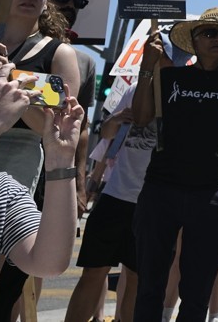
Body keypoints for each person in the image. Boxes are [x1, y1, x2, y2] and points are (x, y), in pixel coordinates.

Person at [0, 0, 82, 321]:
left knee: (1, 279)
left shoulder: (58, 53)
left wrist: (15, 80)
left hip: (18, 167)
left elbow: (54, 128)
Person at [131, 8, 218, 322]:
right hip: (161, 189)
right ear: (193, 40)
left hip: (211, 195)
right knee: (149, 285)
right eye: (209, 33)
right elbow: (140, 118)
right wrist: (146, 67)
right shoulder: (169, 76)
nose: (217, 39)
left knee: (198, 291)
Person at [64, 86, 157, 322]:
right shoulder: (136, 90)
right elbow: (107, 134)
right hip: (115, 194)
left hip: (152, 202)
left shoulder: (180, 90)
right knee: (93, 272)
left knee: (137, 279)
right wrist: (117, 119)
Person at [49, 0, 97, 217]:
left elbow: (83, 128)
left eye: (77, 2)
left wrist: (80, 184)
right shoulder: (16, 45)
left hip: (55, 171)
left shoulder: (85, 62)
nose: (70, 6)